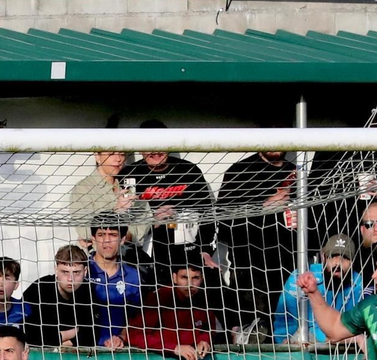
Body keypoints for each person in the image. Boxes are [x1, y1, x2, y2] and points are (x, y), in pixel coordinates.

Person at [218, 149, 297, 334]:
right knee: (256, 335)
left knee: (288, 331)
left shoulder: (295, 173)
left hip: (289, 266)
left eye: (282, 132)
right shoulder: (239, 171)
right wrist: (263, 207)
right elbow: (223, 223)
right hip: (252, 271)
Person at [109, 260, 222, 360]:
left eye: (195, 278)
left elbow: (209, 330)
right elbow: (133, 335)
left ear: (202, 278)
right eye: (184, 277)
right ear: (174, 278)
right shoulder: (160, 298)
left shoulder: (204, 298)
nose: (190, 284)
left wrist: (203, 341)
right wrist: (174, 348)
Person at [133, 125, 217, 265]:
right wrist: (151, 220)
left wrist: (206, 250)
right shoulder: (131, 174)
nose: (156, 150)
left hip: (189, 253)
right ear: (140, 149)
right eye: (149, 145)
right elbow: (122, 219)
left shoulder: (189, 171)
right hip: (145, 254)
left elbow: (207, 214)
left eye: (160, 143)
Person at [271, 235, 365, 345]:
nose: (337, 263)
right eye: (332, 256)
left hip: (337, 345)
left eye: (345, 257)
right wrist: (283, 342)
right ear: (323, 256)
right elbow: (284, 319)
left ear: (353, 262)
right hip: (297, 343)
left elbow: (350, 328)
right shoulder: (301, 276)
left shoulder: (357, 283)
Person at [22, 244, 99, 348]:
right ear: (56, 270)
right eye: (65, 272)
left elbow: (92, 335)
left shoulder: (88, 292)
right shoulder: (39, 290)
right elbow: (30, 336)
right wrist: (71, 333)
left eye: (76, 272)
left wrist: (67, 342)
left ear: (85, 272)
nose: (70, 279)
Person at [87, 214, 144, 344]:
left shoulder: (133, 276)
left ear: (122, 239)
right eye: (101, 235)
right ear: (94, 239)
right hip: (84, 351)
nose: (107, 240)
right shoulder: (81, 272)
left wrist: (122, 337)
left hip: (120, 351)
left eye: (113, 235)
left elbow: (137, 316)